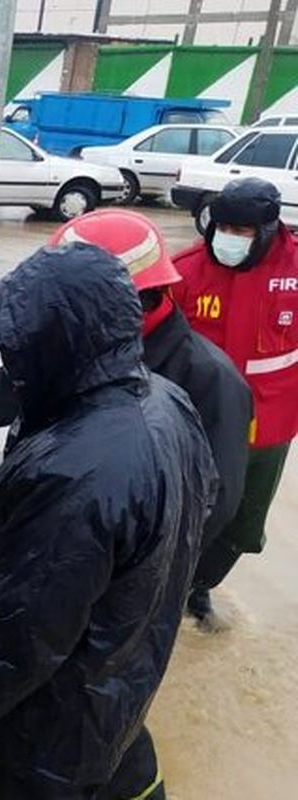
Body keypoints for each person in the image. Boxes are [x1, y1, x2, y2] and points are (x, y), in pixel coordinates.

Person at [0, 243, 216, 799]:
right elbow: (201, 509)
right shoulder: (167, 403)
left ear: (53, 351)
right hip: (121, 679)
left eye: (19, 349)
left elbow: (26, 630)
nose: (12, 365)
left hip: (42, 732)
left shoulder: (76, 472)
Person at [0, 209, 251, 565]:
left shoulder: (208, 379)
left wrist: (121, 577)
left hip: (111, 580)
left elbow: (215, 504)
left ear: (118, 299)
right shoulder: (79, 345)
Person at [172, 177, 298, 630]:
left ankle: (199, 585)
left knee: (243, 526)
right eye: (222, 228)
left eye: (242, 232)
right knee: (183, 513)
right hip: (197, 421)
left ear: (267, 230)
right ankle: (162, 587)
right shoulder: (186, 270)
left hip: (269, 424)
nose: (229, 239)